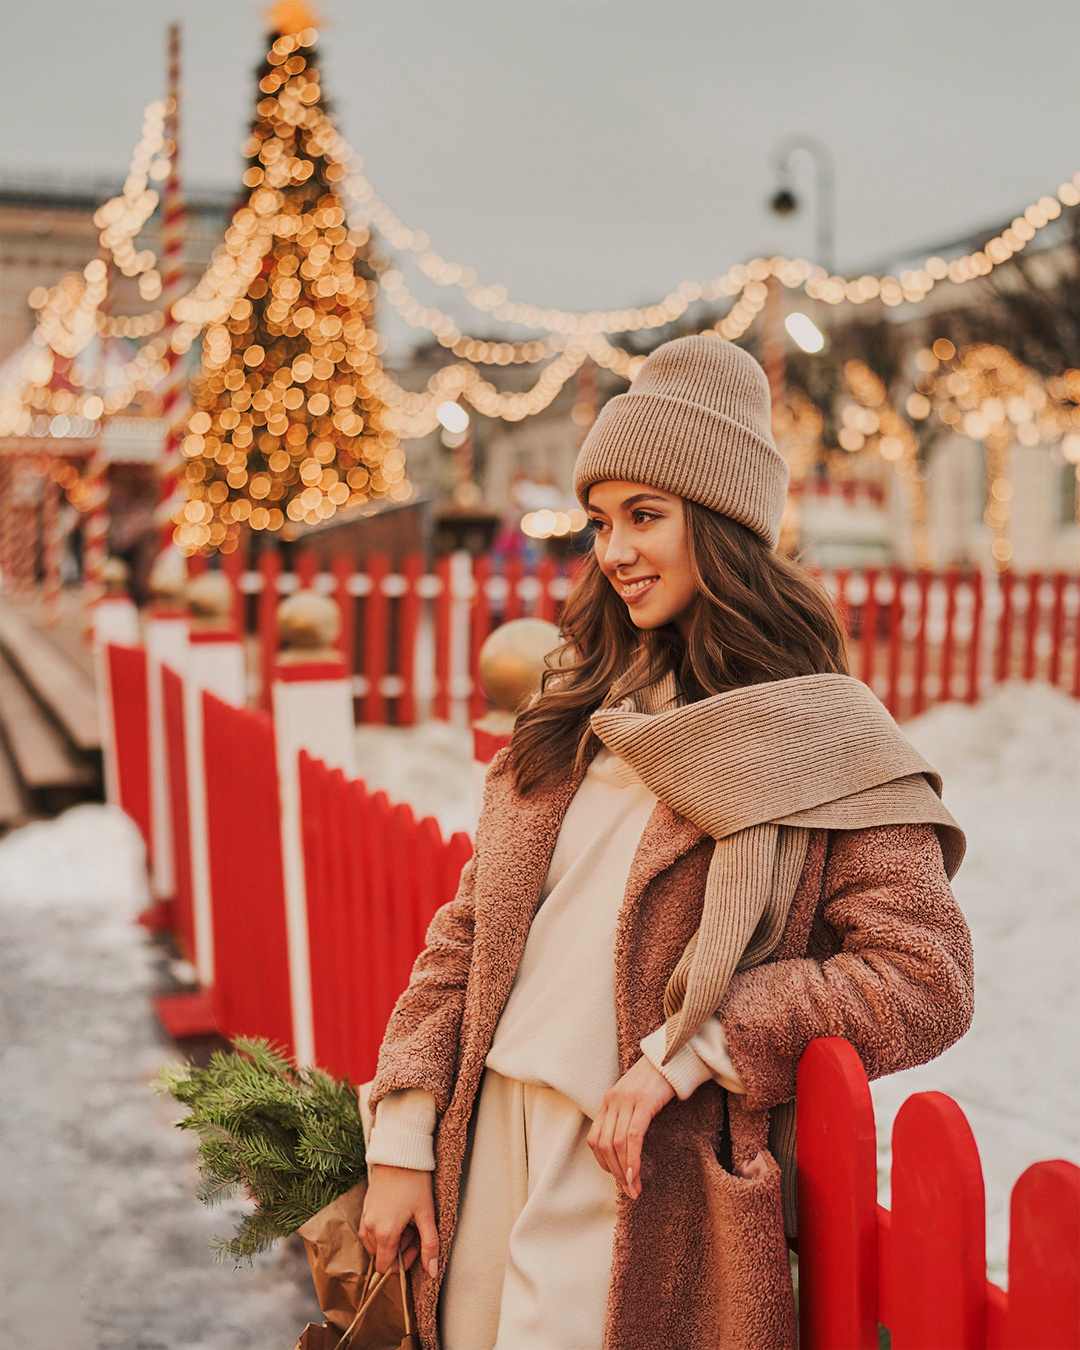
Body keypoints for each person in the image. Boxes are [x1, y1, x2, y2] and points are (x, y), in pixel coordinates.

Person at [358, 335, 973, 1350]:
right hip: (490, 1140)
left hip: (640, 1175)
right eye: (602, 521)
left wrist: (697, 1047)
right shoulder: (577, 717)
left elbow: (924, 975)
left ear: (724, 527)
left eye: (647, 517)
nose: (615, 551)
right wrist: (404, 1138)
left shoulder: (826, 738)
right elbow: (466, 937)